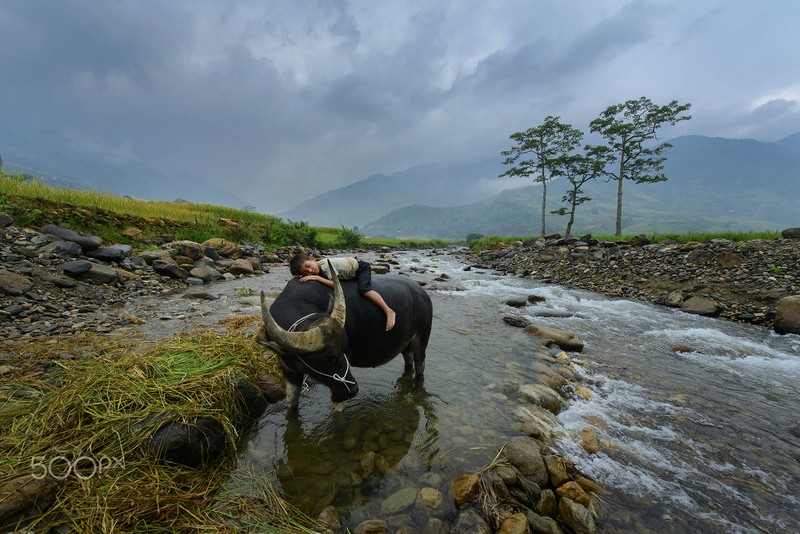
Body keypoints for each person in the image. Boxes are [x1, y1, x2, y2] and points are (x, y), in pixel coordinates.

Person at [289, 253, 396, 331]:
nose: (310, 271)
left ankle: (388, 311)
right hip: (346, 269)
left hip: (360, 268)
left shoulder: (325, 265)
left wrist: (317, 278)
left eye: (308, 266)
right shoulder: (318, 268)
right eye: (305, 272)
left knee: (364, 290)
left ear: (312, 259)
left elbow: (336, 285)